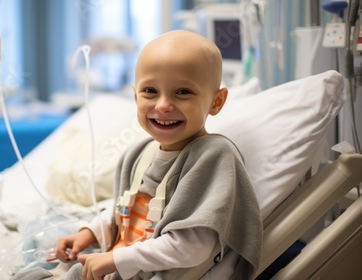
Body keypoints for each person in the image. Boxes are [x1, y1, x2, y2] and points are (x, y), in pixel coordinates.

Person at [14, 29, 262, 280]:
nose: (163, 105)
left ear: (216, 102)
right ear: (135, 96)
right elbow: (123, 213)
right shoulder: (138, 155)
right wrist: (90, 232)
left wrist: (116, 259)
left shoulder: (213, 157)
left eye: (183, 92)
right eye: (150, 91)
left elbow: (193, 246)